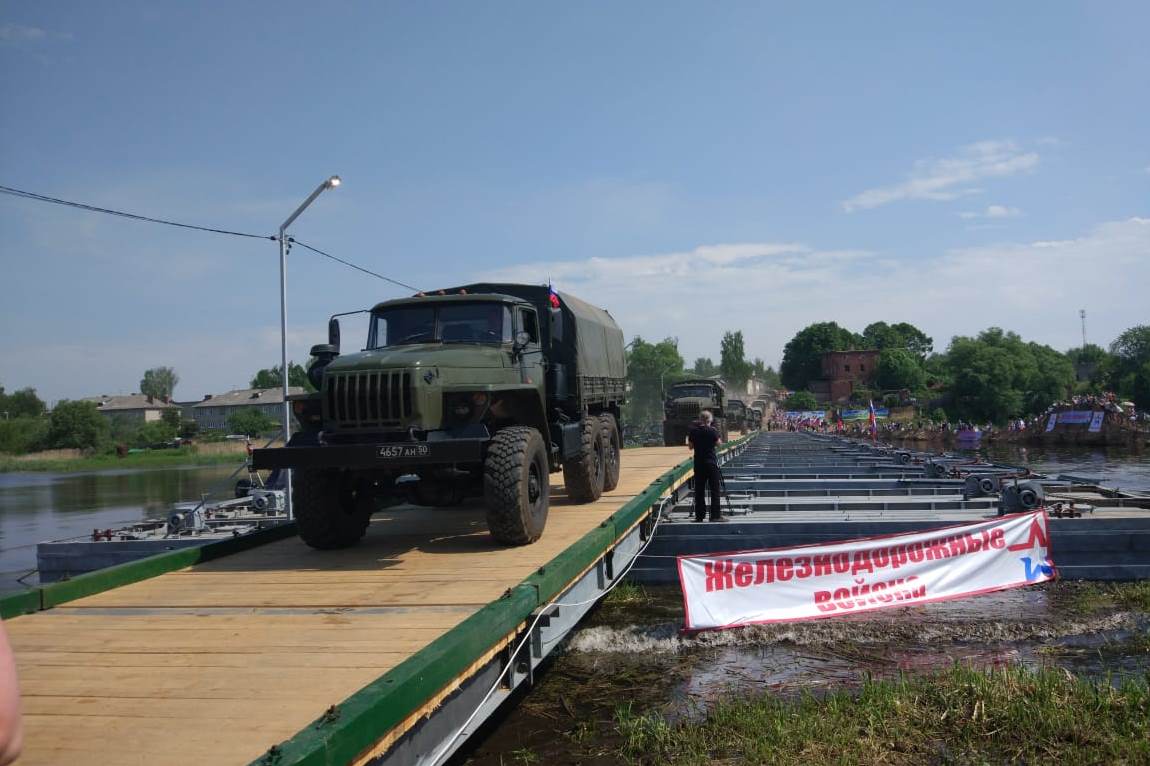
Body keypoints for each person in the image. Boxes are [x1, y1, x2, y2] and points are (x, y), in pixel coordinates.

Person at [687, 410, 725, 522]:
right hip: (711, 463)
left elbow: (690, 447)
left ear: (700, 419)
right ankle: (715, 516)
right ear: (710, 420)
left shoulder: (693, 431)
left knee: (699, 490)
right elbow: (719, 444)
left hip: (699, 464)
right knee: (714, 490)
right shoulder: (713, 431)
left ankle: (699, 516)